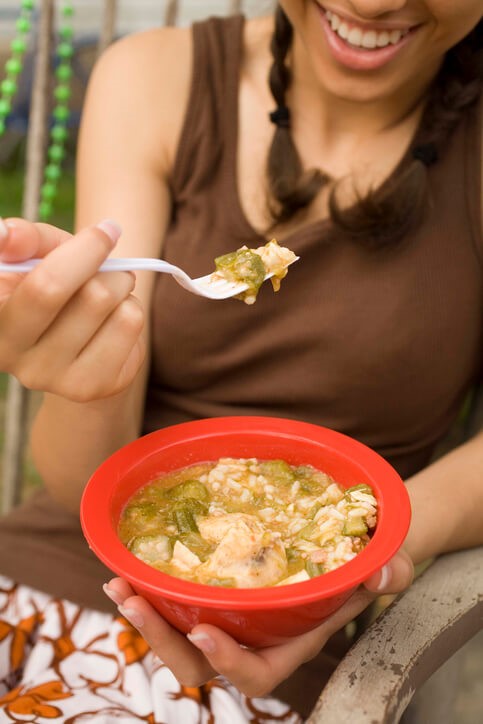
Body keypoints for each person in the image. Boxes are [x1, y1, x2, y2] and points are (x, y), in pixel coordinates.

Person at [0, 1, 481, 721]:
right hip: (48, 576)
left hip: (269, 652)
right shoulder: (152, 79)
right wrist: (90, 381)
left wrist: (344, 564)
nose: (375, 1)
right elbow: (84, 490)